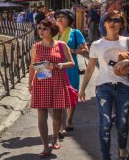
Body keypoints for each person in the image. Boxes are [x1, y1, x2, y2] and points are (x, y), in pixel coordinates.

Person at [80, 10, 129, 160]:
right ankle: (105, 157)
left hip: (124, 87)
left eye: (116, 20)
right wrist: (82, 89)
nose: (112, 23)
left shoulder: (128, 41)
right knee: (105, 123)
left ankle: (122, 150)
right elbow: (90, 68)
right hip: (104, 87)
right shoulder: (96, 44)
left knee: (122, 124)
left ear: (121, 24)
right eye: (109, 20)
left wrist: (127, 61)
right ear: (104, 23)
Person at [29, 18, 74, 158]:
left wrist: (58, 65)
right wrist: (29, 82)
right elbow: (32, 66)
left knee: (57, 114)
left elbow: (71, 63)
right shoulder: (36, 46)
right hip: (41, 81)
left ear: (52, 30)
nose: (41, 31)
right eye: (39, 28)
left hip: (57, 81)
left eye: (44, 29)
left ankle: (55, 137)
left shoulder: (61, 45)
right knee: (41, 113)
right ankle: (45, 145)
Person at [54, 9, 87, 134]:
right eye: (58, 17)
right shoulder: (53, 32)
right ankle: (61, 125)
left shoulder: (75, 32)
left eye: (63, 17)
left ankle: (69, 120)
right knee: (58, 97)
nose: (60, 19)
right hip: (56, 68)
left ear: (69, 20)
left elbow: (85, 49)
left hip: (70, 68)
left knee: (71, 94)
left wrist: (71, 51)